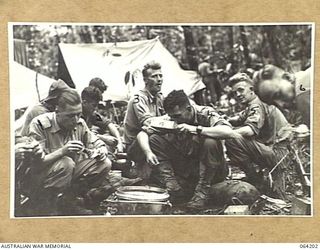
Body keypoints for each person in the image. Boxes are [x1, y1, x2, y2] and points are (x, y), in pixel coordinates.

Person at [136, 90, 241, 209]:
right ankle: (174, 187)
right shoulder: (172, 117)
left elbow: (229, 132)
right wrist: (148, 152)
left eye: (177, 116)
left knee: (210, 141)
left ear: (189, 108)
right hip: (189, 168)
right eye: (171, 117)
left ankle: (202, 192)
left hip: (212, 170)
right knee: (154, 139)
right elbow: (142, 133)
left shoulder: (205, 113)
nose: (174, 120)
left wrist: (196, 129)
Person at [27, 88, 112, 216]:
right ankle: (48, 205)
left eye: (79, 114)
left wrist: (101, 150)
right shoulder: (40, 124)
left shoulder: (80, 123)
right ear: (57, 112)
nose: (76, 119)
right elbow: (36, 165)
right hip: (39, 179)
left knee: (105, 163)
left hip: (67, 174)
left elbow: (96, 142)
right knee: (66, 163)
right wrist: (62, 151)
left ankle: (69, 200)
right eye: (71, 116)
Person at [225, 73, 290, 193]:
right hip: (278, 150)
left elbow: (250, 130)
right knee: (235, 135)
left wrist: (225, 133)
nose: (238, 95)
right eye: (235, 93)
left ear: (251, 89)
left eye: (240, 90)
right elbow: (240, 118)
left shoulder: (256, 105)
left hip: (278, 154)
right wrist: (225, 119)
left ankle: (255, 179)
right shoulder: (255, 103)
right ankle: (257, 177)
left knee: (231, 139)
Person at [123, 61, 165, 166]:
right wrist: (168, 118)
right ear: (145, 80)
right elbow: (149, 124)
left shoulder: (159, 97)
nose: (159, 79)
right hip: (136, 146)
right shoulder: (138, 99)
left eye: (160, 76)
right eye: (154, 76)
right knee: (154, 136)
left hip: (150, 139)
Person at [81, 86, 124, 152]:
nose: (96, 108)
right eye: (94, 105)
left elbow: (108, 124)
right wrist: (103, 138)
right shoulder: (76, 115)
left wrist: (119, 143)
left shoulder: (92, 114)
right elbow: (82, 135)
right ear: (84, 103)